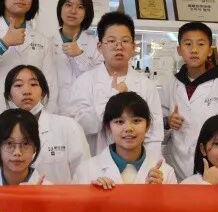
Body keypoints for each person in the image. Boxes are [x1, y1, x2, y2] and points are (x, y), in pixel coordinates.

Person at [68, 12, 164, 155]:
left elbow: (154, 135)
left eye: (125, 41)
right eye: (112, 41)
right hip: (95, 163)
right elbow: (80, 127)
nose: (119, 47)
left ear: (133, 46)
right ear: (99, 47)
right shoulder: (85, 82)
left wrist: (149, 166)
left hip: (137, 165)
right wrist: (112, 96)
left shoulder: (146, 85)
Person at [162, 22, 218, 180]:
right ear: (179, 50)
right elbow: (157, 127)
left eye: (201, 44)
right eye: (188, 44)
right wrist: (168, 122)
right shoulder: (170, 84)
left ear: (210, 50)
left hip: (212, 166)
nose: (194, 50)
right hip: (175, 165)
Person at [4, 64, 89, 183]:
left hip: (60, 195)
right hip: (16, 195)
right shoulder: (0, 131)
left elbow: (84, 175)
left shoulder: (68, 126)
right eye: (18, 85)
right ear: (9, 96)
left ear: (43, 92)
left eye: (33, 84)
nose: (26, 91)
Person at [49, 0, 103, 109]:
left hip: (85, 111)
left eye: (80, 7)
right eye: (68, 5)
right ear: (60, 8)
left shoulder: (96, 46)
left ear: (87, 12)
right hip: (53, 111)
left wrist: (79, 55)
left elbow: (99, 81)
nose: (73, 11)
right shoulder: (47, 43)